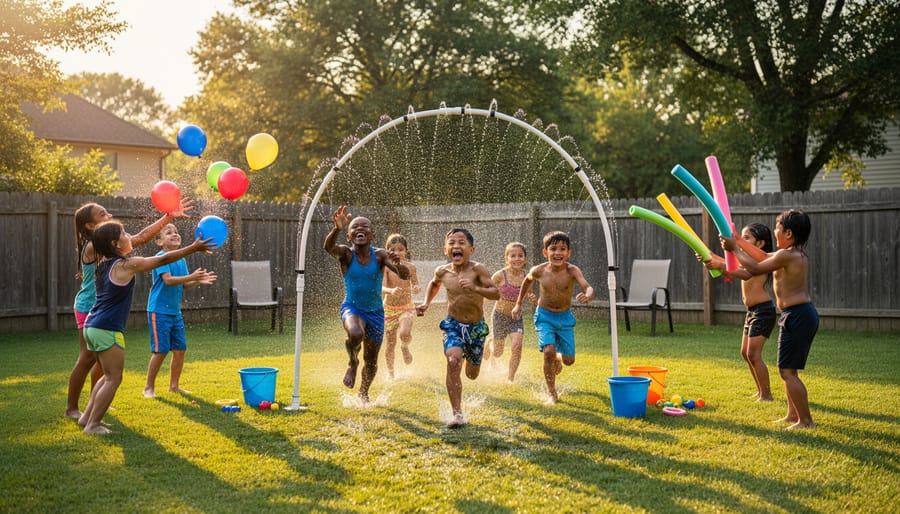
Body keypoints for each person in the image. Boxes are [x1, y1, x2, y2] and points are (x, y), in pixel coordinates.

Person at [79, 220, 213, 434]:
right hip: (106, 328)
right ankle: (93, 424)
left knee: (106, 376)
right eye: (124, 233)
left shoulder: (104, 264)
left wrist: (168, 216)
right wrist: (195, 247)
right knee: (114, 378)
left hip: (92, 326)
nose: (128, 235)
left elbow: (144, 239)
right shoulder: (126, 265)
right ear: (115, 243)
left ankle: (86, 418)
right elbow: (165, 259)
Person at [66, 200, 192, 419]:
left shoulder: (108, 241)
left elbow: (140, 237)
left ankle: (95, 404)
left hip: (104, 307)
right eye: (102, 214)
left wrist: (169, 216)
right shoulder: (94, 245)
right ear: (89, 225)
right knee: (87, 358)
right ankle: (72, 409)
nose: (109, 215)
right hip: (90, 306)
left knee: (102, 360)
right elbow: (140, 239)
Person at [720, 209, 818, 430]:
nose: (775, 231)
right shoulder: (795, 254)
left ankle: (806, 421)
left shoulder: (787, 255)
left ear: (789, 234)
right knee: (786, 369)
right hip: (799, 314)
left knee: (787, 372)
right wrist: (737, 241)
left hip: (798, 315)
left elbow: (755, 267)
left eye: (778, 228)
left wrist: (734, 248)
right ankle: (793, 415)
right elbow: (762, 257)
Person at [324, 206, 409, 403]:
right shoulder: (346, 255)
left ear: (372, 235)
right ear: (349, 236)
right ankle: (352, 362)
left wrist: (398, 265)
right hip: (352, 307)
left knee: (371, 362)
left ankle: (364, 392)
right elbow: (328, 248)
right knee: (355, 333)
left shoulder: (380, 255)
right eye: (355, 227)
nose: (360, 229)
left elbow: (404, 276)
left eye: (365, 227)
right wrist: (336, 228)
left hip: (376, 313)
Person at [416, 228, 499, 428]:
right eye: (452, 243)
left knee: (471, 374)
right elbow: (434, 284)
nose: (456, 246)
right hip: (453, 325)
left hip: (476, 328)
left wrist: (476, 288)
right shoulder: (442, 271)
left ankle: (480, 352)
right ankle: (457, 414)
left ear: (471, 249)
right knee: (453, 362)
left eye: (461, 242)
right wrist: (426, 303)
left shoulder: (478, 270)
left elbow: (496, 293)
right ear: (445, 249)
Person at [512, 231, 594, 405]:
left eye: (562, 249)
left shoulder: (572, 270)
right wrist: (519, 303)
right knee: (548, 351)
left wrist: (588, 295)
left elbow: (588, 287)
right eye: (553, 249)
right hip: (544, 316)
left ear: (569, 252)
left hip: (564, 318)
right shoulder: (539, 271)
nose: (558, 253)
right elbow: (526, 281)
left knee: (569, 361)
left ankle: (559, 357)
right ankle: (552, 393)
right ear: (545, 252)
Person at [701, 223, 776, 401]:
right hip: (751, 311)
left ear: (760, 244)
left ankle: (766, 395)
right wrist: (708, 256)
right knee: (746, 353)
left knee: (753, 354)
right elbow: (731, 264)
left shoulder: (759, 260)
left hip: (763, 311)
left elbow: (745, 273)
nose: (741, 240)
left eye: (746, 237)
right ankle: (760, 391)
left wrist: (720, 264)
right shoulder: (746, 257)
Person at [143, 223, 217, 398]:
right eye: (169, 233)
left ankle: (174, 386)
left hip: (175, 312)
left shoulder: (181, 259)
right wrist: (192, 276)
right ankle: (148, 388)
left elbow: (184, 285)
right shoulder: (160, 257)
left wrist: (198, 281)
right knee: (161, 351)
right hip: (158, 311)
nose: (175, 234)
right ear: (159, 241)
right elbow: (168, 280)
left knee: (180, 350)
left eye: (176, 232)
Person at [484, 242, 534, 382]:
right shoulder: (500, 275)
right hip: (499, 315)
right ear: (506, 258)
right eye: (513, 256)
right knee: (498, 352)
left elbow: (529, 294)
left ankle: (510, 378)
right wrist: (479, 306)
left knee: (517, 345)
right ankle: (490, 341)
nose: (517, 258)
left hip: (515, 317)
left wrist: (532, 298)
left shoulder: (528, 276)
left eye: (520, 255)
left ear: (525, 259)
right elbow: (487, 291)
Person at [381, 233, 420, 380]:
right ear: (387, 252)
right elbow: (382, 287)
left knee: (404, 333)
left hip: (406, 307)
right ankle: (391, 373)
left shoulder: (411, 267)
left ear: (406, 251)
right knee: (390, 344)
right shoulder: (386, 268)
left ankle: (404, 347)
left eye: (400, 249)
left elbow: (415, 283)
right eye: (392, 249)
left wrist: (416, 287)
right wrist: (390, 290)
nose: (396, 253)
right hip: (389, 309)